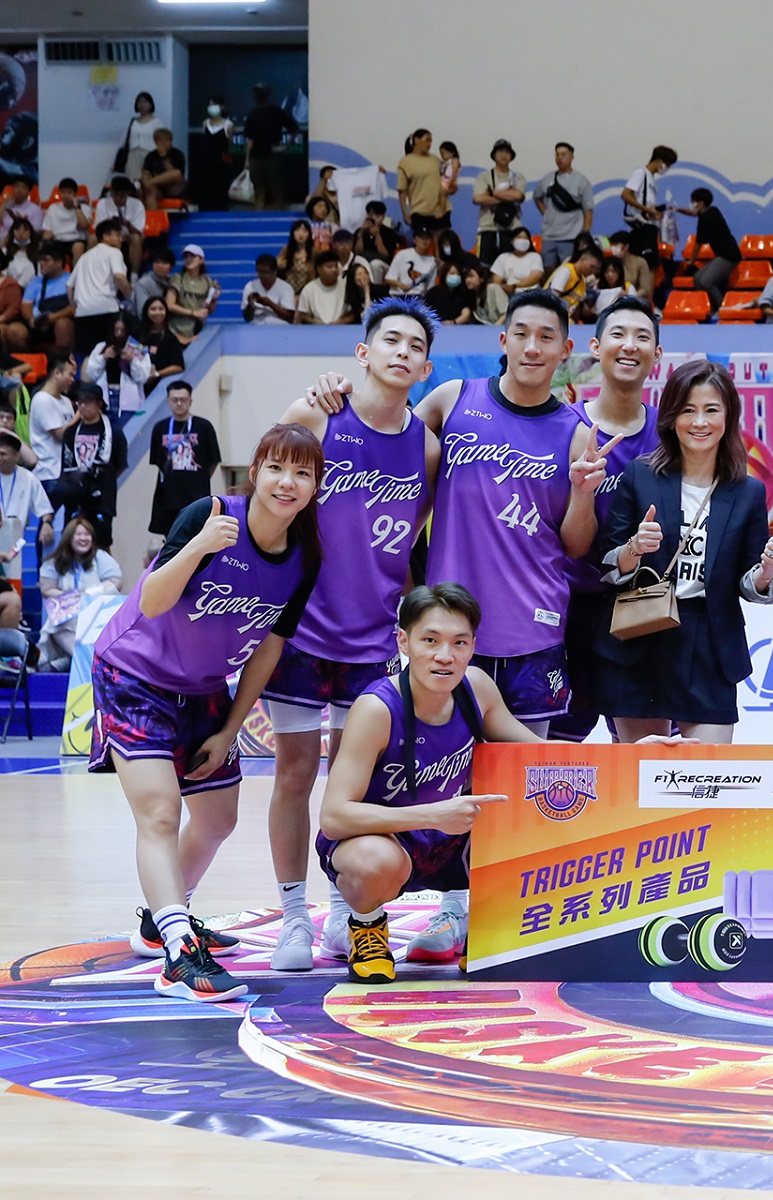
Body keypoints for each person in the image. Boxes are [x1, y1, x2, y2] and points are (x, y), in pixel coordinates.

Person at [303, 288, 612, 739]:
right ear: (503, 340)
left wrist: (583, 494)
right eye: (521, 334)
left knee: (526, 769)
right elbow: (387, 428)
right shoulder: (452, 400)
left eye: (546, 337)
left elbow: (577, 546)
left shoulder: (577, 435)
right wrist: (339, 389)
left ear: (565, 350)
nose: (532, 347)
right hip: (448, 629)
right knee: (443, 764)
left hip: (534, 630)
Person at [93, 424, 323, 1002]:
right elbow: (152, 601)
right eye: (276, 467)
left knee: (218, 819)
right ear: (256, 472)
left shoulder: (305, 556)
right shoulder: (210, 514)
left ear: (316, 486)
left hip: (203, 689)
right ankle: (178, 952)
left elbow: (268, 647)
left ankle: (162, 920)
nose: (287, 482)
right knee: (161, 813)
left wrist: (230, 728)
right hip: (134, 675)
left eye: (302, 473)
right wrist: (198, 546)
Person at [264, 298, 444, 971]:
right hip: (300, 631)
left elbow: (410, 535)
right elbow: (265, 500)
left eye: (414, 345)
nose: (402, 351)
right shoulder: (316, 415)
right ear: (363, 353)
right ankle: (292, 918)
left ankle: (343, 912)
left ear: (424, 368)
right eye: (390, 340)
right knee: (293, 774)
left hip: (372, 640)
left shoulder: (425, 448)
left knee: (356, 785)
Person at [315, 583, 545, 984]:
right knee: (372, 861)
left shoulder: (477, 688)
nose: (445, 655)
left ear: (473, 647)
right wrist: (433, 815)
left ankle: (487, 926)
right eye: (430, 640)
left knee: (534, 811)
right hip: (389, 841)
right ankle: (367, 926)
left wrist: (629, 754)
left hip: (450, 840)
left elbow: (540, 752)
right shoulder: (376, 709)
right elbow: (334, 817)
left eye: (459, 642)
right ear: (403, 642)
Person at [594, 360, 773, 740]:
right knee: (640, 771)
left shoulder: (748, 492)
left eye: (711, 410)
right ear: (672, 417)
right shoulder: (640, 476)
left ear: (728, 416)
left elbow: (748, 582)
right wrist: (634, 548)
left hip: (711, 643)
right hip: (641, 634)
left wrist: (767, 571)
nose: (699, 422)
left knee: (710, 770)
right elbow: (607, 565)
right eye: (688, 410)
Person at [551, 295, 666, 743]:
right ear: (596, 348)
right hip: (566, 609)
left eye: (642, 337)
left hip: (643, 610)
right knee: (555, 755)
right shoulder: (563, 426)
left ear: (657, 354)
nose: (630, 345)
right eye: (618, 334)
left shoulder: (671, 434)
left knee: (644, 754)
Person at [146, 379, 221, 563]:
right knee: (171, 544)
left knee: (198, 542)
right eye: (175, 400)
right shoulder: (160, 428)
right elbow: (158, 461)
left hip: (196, 496)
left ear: (190, 401)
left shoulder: (204, 427)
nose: (179, 404)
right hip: (168, 498)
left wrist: (198, 479)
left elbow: (213, 461)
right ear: (168, 401)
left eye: (183, 399)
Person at [35, 515, 122, 671]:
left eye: (87, 534)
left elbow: (115, 583)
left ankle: (78, 661)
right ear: (69, 538)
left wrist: (88, 594)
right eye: (79, 534)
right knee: (54, 622)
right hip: (69, 611)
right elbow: (47, 590)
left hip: (94, 612)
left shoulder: (100, 557)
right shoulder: (55, 561)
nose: (83, 538)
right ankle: (83, 659)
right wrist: (71, 597)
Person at [0, 426, 53, 652]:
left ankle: (14, 619)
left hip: (15, 535)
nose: (0, 456)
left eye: (4, 453)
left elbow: (45, 509)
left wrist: (47, 523)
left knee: (12, 580)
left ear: (15, 455)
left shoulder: (28, 478)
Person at [57, 383, 126, 547]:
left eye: (87, 401)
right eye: (79, 402)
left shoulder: (113, 432)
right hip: (75, 497)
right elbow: (66, 463)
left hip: (101, 498)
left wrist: (100, 477)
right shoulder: (71, 432)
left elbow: (120, 465)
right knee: (71, 542)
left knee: (101, 544)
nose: (82, 406)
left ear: (99, 403)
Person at [534, 143, 594, 278]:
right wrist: (547, 213)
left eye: (563, 154)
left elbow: (588, 209)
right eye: (557, 155)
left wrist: (585, 235)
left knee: (570, 272)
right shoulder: (547, 179)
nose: (560, 158)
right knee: (548, 272)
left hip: (571, 236)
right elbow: (537, 198)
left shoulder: (581, 181)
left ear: (572, 157)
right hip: (549, 236)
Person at [69, 219, 128, 355]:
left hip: (83, 312)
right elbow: (119, 277)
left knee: (89, 356)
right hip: (106, 309)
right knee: (111, 353)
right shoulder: (114, 252)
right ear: (106, 236)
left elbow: (69, 286)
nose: (120, 239)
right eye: (117, 235)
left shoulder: (84, 257)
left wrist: (75, 310)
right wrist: (130, 295)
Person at [80, 312, 152, 416]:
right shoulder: (101, 347)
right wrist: (103, 358)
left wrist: (132, 360)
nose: (119, 333)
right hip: (104, 397)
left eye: (122, 330)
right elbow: (91, 374)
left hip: (129, 400)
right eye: (116, 329)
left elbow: (143, 378)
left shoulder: (138, 349)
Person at [683, 187, 740, 316]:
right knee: (697, 279)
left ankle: (722, 308)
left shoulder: (706, 217)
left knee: (706, 282)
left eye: (694, 201)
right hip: (721, 255)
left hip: (729, 256)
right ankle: (709, 306)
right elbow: (692, 213)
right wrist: (676, 209)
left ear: (701, 203)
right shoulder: (712, 211)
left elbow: (698, 244)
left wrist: (691, 262)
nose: (692, 204)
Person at [620, 145, 676, 269]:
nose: (666, 168)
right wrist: (646, 210)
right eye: (667, 165)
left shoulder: (652, 180)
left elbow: (646, 203)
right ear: (659, 161)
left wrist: (655, 212)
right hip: (642, 226)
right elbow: (626, 194)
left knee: (652, 265)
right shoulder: (641, 173)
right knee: (647, 265)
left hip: (650, 225)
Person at [243, 85, 298, 211]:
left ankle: (280, 214)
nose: (258, 95)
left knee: (277, 187)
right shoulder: (253, 113)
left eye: (260, 93)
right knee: (258, 188)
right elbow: (250, 139)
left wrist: (285, 146)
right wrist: (247, 159)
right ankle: (258, 215)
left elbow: (294, 129)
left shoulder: (276, 111)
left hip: (273, 155)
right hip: (256, 155)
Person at [472, 138, 526, 263]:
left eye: (507, 152)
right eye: (500, 152)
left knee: (511, 266)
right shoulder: (484, 176)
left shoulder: (518, 177)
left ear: (511, 157)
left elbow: (518, 196)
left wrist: (493, 193)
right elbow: (478, 198)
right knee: (484, 267)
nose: (504, 155)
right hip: (488, 228)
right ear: (494, 155)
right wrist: (507, 196)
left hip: (512, 229)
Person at [28, 351, 76, 488]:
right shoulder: (42, 400)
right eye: (70, 374)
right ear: (57, 373)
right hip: (49, 474)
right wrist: (80, 415)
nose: (72, 380)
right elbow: (60, 435)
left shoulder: (66, 401)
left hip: (66, 471)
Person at [395, 129, 447, 235]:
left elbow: (447, 178)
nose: (429, 144)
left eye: (431, 141)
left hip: (439, 210)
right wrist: (405, 212)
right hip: (420, 211)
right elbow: (402, 191)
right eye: (427, 140)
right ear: (417, 140)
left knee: (441, 241)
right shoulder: (405, 162)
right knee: (423, 240)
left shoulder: (435, 159)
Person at [23, 246, 74, 352]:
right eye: (40, 260)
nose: (41, 263)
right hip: (38, 322)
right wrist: (30, 319)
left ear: (59, 262)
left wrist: (54, 317)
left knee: (63, 324)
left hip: (60, 318)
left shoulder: (71, 280)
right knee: (14, 331)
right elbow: (26, 304)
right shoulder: (35, 281)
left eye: (46, 260)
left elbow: (75, 306)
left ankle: (62, 358)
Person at [166, 244, 216, 340]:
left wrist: (214, 300)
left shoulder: (207, 280)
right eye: (186, 257)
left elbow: (210, 310)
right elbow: (169, 305)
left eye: (192, 256)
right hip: (176, 330)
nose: (188, 259)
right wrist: (193, 313)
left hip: (197, 331)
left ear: (201, 260)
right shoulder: (178, 278)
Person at [192, 96, 234, 211]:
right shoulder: (205, 123)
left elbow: (229, 146)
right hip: (206, 160)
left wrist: (228, 161)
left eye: (214, 104)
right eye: (210, 105)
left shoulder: (228, 124)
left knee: (220, 188)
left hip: (221, 162)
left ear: (222, 107)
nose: (212, 107)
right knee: (206, 187)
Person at [116, 91, 162, 183]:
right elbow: (124, 141)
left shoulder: (156, 122)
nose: (142, 104)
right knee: (133, 182)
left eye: (145, 102)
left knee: (148, 182)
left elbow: (161, 141)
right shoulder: (132, 122)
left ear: (151, 105)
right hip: (133, 155)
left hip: (149, 155)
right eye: (139, 102)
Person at [41, 179, 90, 263]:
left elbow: (84, 226)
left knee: (78, 247)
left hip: (76, 239)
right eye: (63, 192)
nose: (66, 195)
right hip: (57, 239)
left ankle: (77, 271)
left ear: (75, 194)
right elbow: (47, 230)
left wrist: (76, 207)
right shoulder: (53, 208)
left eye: (69, 192)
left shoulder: (84, 208)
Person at [294, 252, 351, 325]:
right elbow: (302, 313)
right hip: (316, 329)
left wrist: (340, 322)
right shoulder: (309, 289)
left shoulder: (346, 285)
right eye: (329, 267)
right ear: (319, 270)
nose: (334, 269)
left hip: (342, 327)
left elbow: (353, 314)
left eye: (336, 266)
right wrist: (316, 323)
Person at [353, 201, 402, 282]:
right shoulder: (360, 231)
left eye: (377, 215)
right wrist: (361, 234)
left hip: (383, 265)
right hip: (365, 261)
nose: (373, 218)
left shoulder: (389, 233)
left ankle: (375, 289)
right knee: (357, 262)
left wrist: (377, 235)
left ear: (382, 217)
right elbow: (357, 252)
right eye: (370, 214)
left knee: (375, 264)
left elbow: (386, 255)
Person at [241, 254, 296, 325]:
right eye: (259, 272)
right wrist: (250, 305)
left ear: (274, 271)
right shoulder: (250, 286)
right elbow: (247, 318)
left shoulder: (286, 288)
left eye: (266, 273)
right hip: (256, 326)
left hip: (279, 326)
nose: (262, 276)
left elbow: (290, 318)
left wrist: (270, 304)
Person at [139, 127, 186, 209]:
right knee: (150, 191)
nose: (162, 144)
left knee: (176, 173)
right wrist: (146, 182)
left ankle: (150, 183)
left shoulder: (177, 154)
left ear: (170, 141)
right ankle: (153, 217)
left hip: (174, 187)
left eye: (165, 141)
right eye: (159, 141)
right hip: (157, 187)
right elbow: (146, 172)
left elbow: (175, 174)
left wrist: (164, 157)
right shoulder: (151, 156)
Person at [384, 227, 437, 299]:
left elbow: (430, 288)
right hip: (398, 296)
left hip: (418, 298)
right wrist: (400, 285)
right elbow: (388, 279)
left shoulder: (433, 261)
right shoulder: (403, 254)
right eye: (421, 237)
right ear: (414, 240)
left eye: (427, 238)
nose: (424, 241)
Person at [490, 228, 544, 295]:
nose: (522, 240)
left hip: (530, 292)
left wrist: (514, 286)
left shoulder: (535, 257)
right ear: (512, 241)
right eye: (519, 237)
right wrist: (505, 288)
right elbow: (497, 281)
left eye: (525, 238)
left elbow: (533, 279)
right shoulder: (503, 257)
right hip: (508, 293)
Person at [132, 245, 174, 319]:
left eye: (164, 263)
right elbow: (142, 312)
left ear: (171, 267)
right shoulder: (143, 283)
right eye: (157, 262)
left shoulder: (172, 281)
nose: (160, 266)